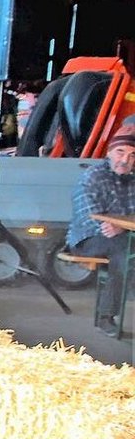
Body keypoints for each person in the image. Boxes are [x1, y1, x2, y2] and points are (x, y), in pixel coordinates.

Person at [66, 132, 135, 337]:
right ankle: (106, 317)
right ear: (109, 152)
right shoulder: (93, 176)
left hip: (124, 235)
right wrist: (117, 228)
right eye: (120, 152)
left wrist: (122, 228)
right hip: (87, 238)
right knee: (125, 251)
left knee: (125, 247)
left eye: (132, 155)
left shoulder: (132, 177)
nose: (125, 160)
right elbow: (89, 217)